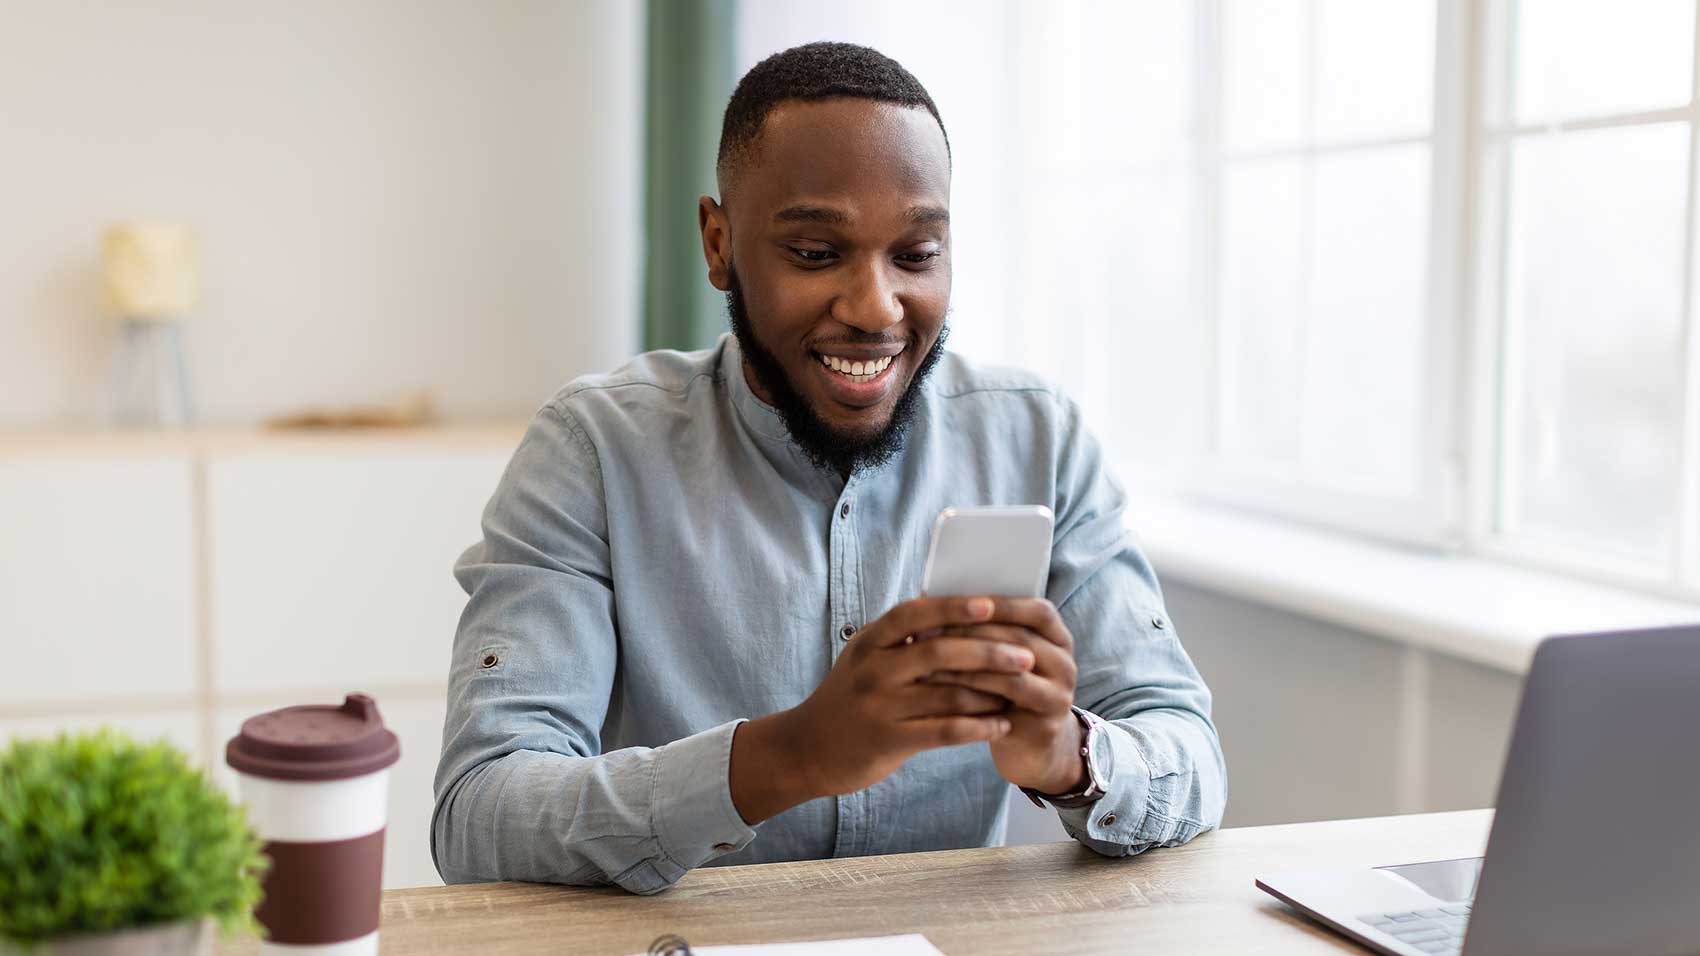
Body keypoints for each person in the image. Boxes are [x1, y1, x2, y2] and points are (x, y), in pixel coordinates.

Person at [432, 41, 1226, 895]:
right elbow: (480, 814)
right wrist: (792, 754)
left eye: (917, 255)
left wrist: (1070, 757)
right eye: (815, 254)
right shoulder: (593, 450)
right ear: (718, 242)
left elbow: (1188, 752)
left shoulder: (1037, 438)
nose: (876, 309)